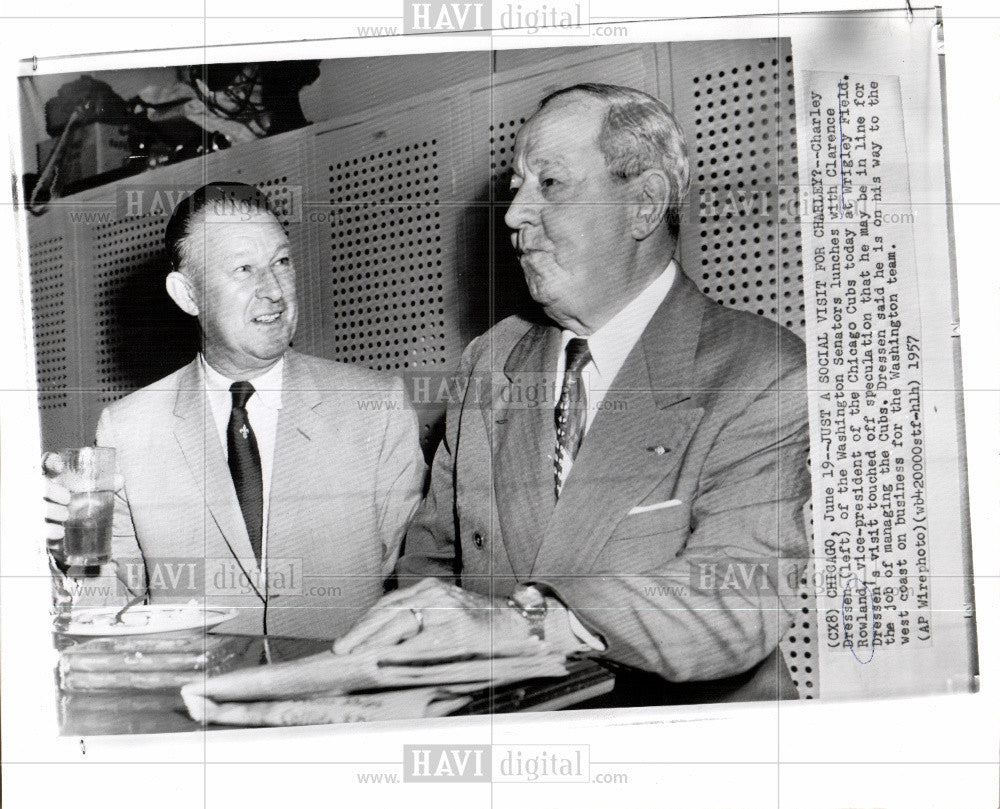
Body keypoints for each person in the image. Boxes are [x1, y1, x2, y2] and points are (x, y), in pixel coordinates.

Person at [335, 84, 811, 703]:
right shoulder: (491, 362)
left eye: (550, 185)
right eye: (516, 186)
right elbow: (433, 562)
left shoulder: (760, 371)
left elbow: (738, 598)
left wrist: (527, 624)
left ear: (642, 206)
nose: (513, 216)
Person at [44, 182, 426, 639]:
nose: (274, 292)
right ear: (188, 295)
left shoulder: (375, 407)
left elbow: (418, 581)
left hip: (348, 699)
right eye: (244, 269)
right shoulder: (128, 428)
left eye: (281, 262)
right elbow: (115, 606)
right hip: (197, 700)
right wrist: (63, 545)